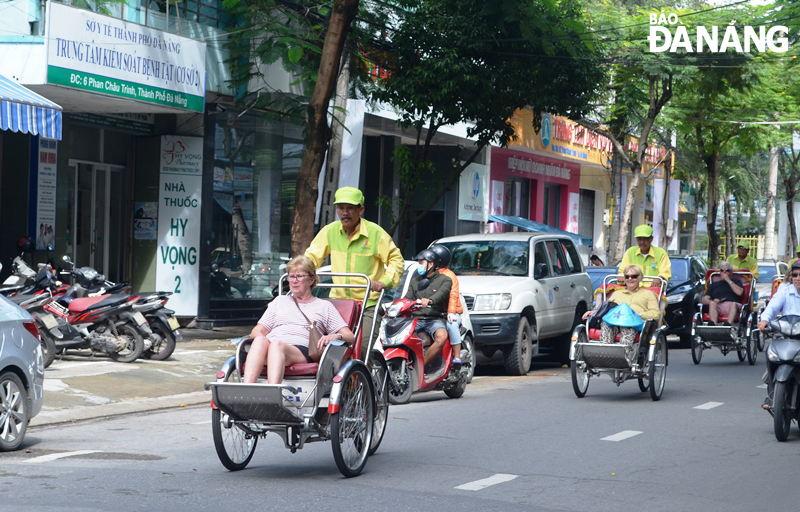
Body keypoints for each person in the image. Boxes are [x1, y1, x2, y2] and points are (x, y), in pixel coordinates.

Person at [305, 186, 405, 359]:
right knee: (326, 349)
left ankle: (366, 383)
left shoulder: (375, 233)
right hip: (338, 304)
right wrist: (300, 275)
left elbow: (396, 261)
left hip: (367, 304)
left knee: (362, 350)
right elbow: (311, 258)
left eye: (350, 208)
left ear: (361, 210)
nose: (345, 213)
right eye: (341, 208)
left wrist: (384, 281)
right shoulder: (330, 231)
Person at [243, 256, 355, 384]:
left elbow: (349, 336)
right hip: (272, 346)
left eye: (299, 276)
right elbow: (258, 330)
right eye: (291, 276)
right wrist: (265, 342)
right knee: (260, 340)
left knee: (277, 346)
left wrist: (334, 336)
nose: (294, 281)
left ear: (312, 280)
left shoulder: (324, 306)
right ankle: (246, 390)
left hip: (301, 350)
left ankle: (272, 394)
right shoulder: (279, 301)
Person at [582, 265, 660, 349]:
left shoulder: (648, 294)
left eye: (634, 276)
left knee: (627, 328)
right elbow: (606, 309)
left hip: (634, 323)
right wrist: (594, 312)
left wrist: (639, 314)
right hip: (614, 321)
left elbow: (656, 314)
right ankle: (606, 353)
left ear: (640, 278)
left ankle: (624, 356)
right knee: (605, 324)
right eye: (627, 276)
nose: (630, 279)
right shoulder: (617, 293)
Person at [758, 261, 800, 410]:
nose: (798, 278)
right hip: (785, 335)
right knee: (773, 355)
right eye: (795, 275)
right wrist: (764, 320)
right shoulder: (784, 291)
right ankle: (772, 393)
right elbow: (773, 306)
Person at [404, 249, 452, 372]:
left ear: (431, 264)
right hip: (416, 319)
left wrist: (430, 300)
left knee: (442, 337)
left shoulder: (445, 280)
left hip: (434, 318)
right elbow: (407, 297)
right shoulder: (415, 279)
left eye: (421, 262)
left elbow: (442, 294)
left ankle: (420, 367)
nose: (419, 265)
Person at [429, 244, 463, 368]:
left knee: (451, 325)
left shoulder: (449, 276)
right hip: (434, 312)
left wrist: (451, 312)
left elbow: (453, 296)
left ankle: (457, 357)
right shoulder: (428, 273)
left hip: (450, 313)